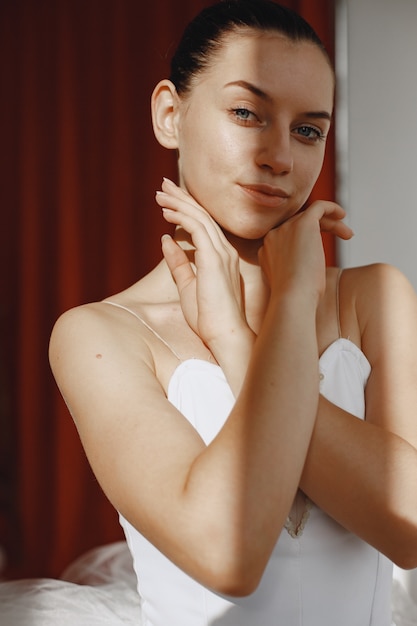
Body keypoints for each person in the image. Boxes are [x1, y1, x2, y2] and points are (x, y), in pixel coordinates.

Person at [48, 1, 417, 624]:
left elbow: (407, 530)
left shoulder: (371, 297)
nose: (279, 156)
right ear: (170, 113)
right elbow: (229, 557)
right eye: (247, 113)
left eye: (308, 130)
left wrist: (247, 337)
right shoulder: (99, 335)